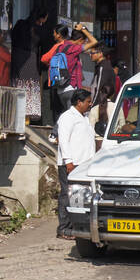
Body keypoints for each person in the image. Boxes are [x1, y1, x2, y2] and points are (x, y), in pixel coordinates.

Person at [56, 88, 96, 240]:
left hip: (84, 163)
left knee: (79, 196)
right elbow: (63, 140)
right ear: (79, 102)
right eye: (88, 102)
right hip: (71, 163)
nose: (90, 104)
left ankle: (76, 226)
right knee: (67, 195)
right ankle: (63, 228)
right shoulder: (67, 117)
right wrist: (68, 162)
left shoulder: (84, 117)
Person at [10, 8, 48, 121]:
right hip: (30, 60)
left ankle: (15, 115)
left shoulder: (20, 23)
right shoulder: (39, 29)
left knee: (18, 85)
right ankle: (26, 118)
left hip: (16, 58)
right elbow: (44, 47)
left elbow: (13, 37)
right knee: (29, 88)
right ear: (42, 18)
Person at [88, 44, 117, 133]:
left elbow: (99, 88)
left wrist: (93, 106)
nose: (90, 55)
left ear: (100, 53)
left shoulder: (103, 67)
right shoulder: (101, 66)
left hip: (102, 105)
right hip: (101, 105)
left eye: (92, 53)